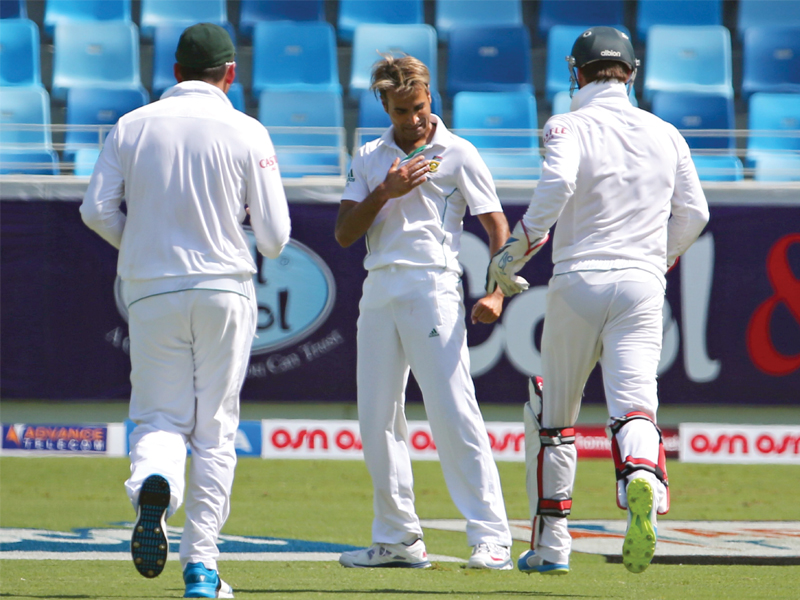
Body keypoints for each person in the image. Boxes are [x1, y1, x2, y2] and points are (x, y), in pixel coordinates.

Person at [487, 27, 710, 575]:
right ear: (631, 73)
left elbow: (557, 185)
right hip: (641, 282)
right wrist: (659, 259)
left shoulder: (568, 123)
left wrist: (511, 254)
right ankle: (640, 480)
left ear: (575, 72)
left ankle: (550, 547)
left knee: (553, 415)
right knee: (634, 403)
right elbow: (696, 214)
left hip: (579, 279)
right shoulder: (666, 133)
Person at [80, 23, 291, 598]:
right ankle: (202, 567)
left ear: (174, 71)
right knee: (216, 431)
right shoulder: (248, 130)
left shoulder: (132, 125)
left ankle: (156, 481)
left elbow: (96, 211)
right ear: (231, 73)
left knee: (158, 418)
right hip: (225, 287)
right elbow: (274, 239)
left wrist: (144, 246)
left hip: (150, 288)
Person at [334, 55, 514, 570]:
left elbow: (498, 228)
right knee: (377, 418)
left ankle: (491, 536)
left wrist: (496, 291)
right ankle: (397, 539)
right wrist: (385, 192)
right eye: (400, 112)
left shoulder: (458, 153)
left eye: (418, 107)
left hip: (433, 285)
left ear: (429, 96)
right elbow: (346, 234)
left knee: (453, 410)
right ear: (385, 108)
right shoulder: (370, 155)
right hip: (379, 289)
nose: (412, 119)